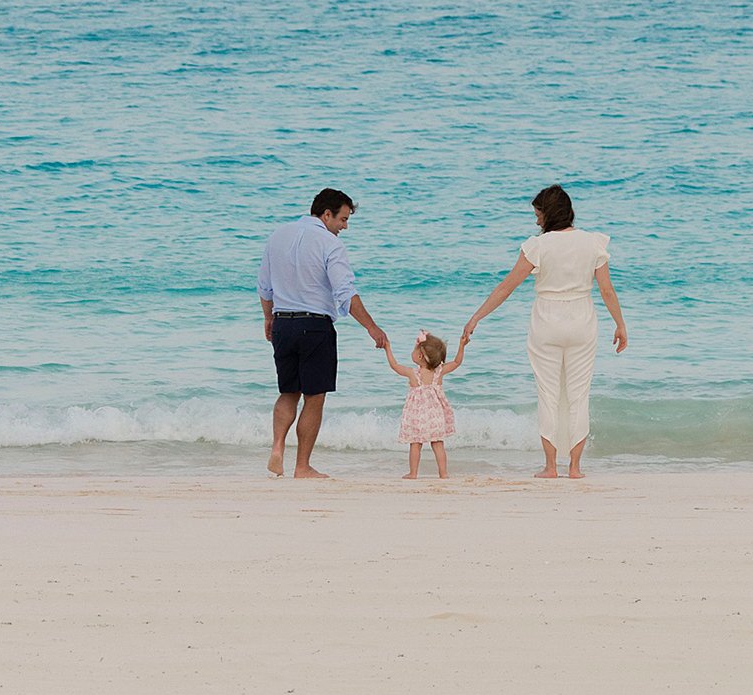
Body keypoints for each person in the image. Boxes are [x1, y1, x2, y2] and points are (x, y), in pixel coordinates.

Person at [462, 184, 628, 478]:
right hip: (582, 320)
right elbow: (606, 289)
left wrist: (476, 317)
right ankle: (575, 468)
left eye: (538, 214)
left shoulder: (538, 246)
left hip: (547, 322)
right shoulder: (592, 243)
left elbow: (507, 286)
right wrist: (620, 324)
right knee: (579, 395)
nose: (536, 220)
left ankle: (551, 467)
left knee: (548, 394)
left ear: (548, 213)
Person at [257, 188, 393, 478]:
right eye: (343, 219)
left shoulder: (277, 236)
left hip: (283, 323)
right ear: (326, 214)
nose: (345, 226)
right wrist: (372, 326)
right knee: (314, 397)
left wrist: (268, 319)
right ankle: (302, 466)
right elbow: (345, 293)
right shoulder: (329, 244)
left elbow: (265, 286)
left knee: (288, 392)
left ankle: (278, 447)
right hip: (315, 326)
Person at [386, 329, 468, 479]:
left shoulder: (412, 373)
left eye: (415, 348)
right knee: (438, 444)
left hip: (417, 416)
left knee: (415, 444)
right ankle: (443, 473)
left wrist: (388, 348)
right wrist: (462, 345)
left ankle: (413, 473)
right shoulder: (439, 371)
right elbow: (457, 362)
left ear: (420, 355)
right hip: (435, 416)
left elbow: (395, 365)